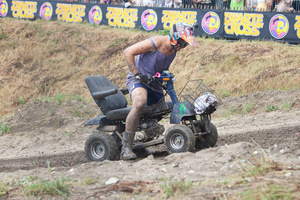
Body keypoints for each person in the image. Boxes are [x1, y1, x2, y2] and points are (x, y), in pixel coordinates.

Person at [122, 22, 197, 160]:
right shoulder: (157, 42)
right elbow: (128, 52)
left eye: (185, 44)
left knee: (159, 110)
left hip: (154, 83)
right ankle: (126, 146)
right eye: (181, 42)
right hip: (138, 79)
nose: (182, 46)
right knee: (139, 103)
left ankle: (142, 140)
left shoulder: (174, 50)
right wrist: (137, 73)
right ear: (174, 37)